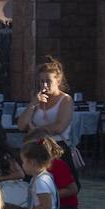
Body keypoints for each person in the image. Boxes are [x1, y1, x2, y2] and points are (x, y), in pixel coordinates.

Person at [17, 56, 78, 185]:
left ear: (58, 80)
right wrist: (33, 103)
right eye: (41, 81)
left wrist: (37, 130)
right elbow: (21, 125)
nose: (44, 85)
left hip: (56, 147)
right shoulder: (37, 99)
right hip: (36, 148)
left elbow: (60, 126)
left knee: (61, 184)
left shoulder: (65, 100)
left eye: (48, 81)